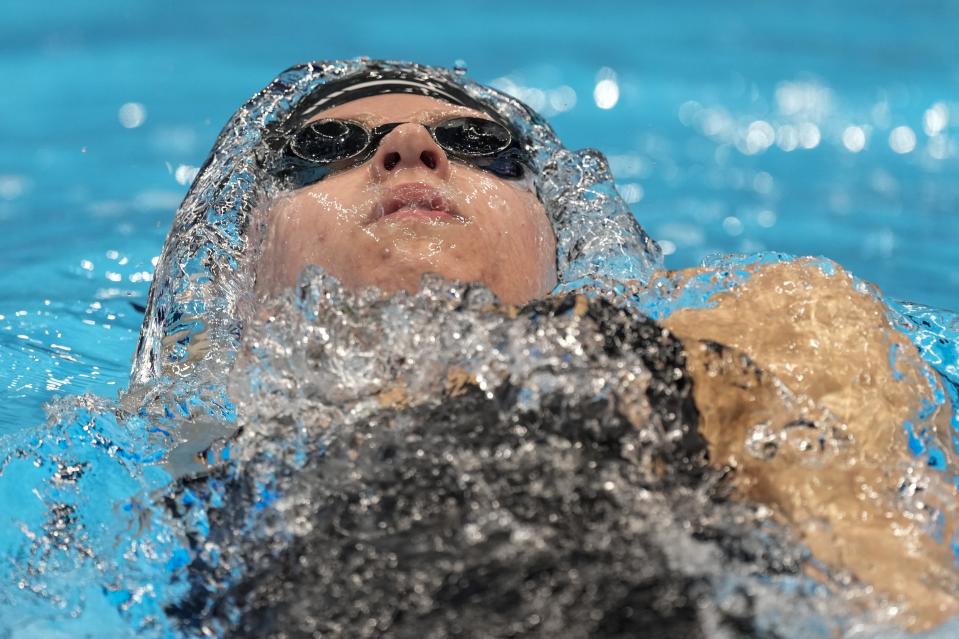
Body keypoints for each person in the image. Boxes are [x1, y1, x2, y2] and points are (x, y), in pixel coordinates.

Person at [141, 60, 959, 630]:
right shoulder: (194, 465)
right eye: (323, 149)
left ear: (553, 231)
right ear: (237, 268)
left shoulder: (737, 330)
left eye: (474, 140)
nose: (409, 150)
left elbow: (899, 592)